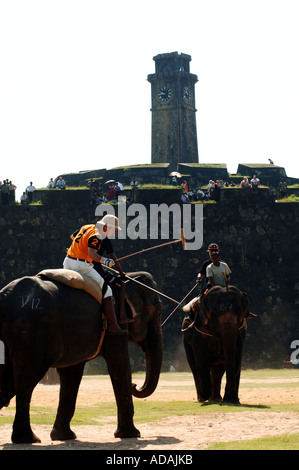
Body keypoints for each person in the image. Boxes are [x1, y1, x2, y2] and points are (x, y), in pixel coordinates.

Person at [63, 215, 126, 335]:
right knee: (107, 291)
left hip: (67, 261)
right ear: (106, 227)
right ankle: (113, 326)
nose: (114, 232)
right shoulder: (98, 235)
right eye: (114, 229)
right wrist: (104, 261)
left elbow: (72, 237)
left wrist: (79, 248)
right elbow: (92, 254)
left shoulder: (87, 227)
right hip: (82, 266)